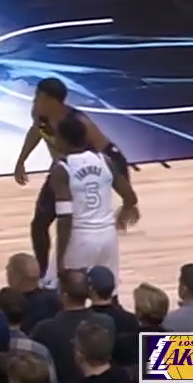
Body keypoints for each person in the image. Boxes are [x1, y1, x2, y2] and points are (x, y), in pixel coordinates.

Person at [14, 77, 135, 286]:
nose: (34, 101)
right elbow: (36, 131)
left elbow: (113, 153)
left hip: (83, 177)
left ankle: (73, 271)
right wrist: (21, 160)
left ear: (52, 101)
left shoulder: (80, 123)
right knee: (39, 225)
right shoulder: (39, 115)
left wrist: (127, 198)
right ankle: (43, 273)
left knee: (71, 223)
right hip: (61, 174)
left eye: (38, 97)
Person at [46, 112, 137, 279]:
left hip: (80, 238)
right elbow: (131, 197)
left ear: (63, 140)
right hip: (107, 237)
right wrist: (123, 213)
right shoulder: (104, 160)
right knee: (106, 289)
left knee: (64, 289)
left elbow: (65, 216)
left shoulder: (62, 169)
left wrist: (60, 257)